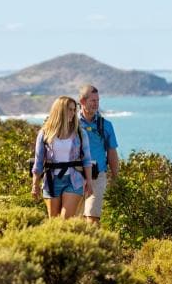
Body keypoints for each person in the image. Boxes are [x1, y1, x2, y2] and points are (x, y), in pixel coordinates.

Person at [31, 96, 92, 218]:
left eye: (74, 110)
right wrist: (35, 184)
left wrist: (89, 182)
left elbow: (86, 160)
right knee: (53, 222)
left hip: (74, 181)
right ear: (60, 111)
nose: (73, 113)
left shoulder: (80, 133)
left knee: (65, 220)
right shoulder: (44, 133)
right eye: (69, 109)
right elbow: (38, 162)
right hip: (51, 181)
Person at [78, 84, 119, 224]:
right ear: (82, 101)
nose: (96, 104)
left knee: (92, 217)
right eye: (93, 101)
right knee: (75, 219)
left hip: (97, 175)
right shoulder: (72, 124)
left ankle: (94, 245)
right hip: (75, 175)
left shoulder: (106, 125)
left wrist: (115, 177)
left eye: (98, 100)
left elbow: (112, 152)